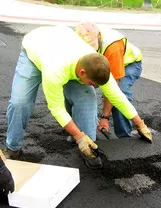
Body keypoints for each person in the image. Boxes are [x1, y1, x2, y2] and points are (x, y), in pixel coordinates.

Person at [4, 25, 152, 169]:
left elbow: (117, 96)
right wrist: (78, 136)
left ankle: (90, 148)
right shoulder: (54, 70)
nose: (95, 86)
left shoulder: (95, 64)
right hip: (35, 51)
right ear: (82, 73)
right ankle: (13, 148)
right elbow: (56, 108)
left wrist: (139, 123)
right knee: (20, 102)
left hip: (66, 50)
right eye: (92, 83)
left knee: (87, 97)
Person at [75, 22, 143, 138]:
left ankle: (124, 136)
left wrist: (105, 118)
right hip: (101, 64)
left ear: (99, 38)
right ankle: (81, 129)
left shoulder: (112, 46)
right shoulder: (78, 39)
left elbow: (113, 90)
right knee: (79, 88)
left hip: (129, 64)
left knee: (121, 93)